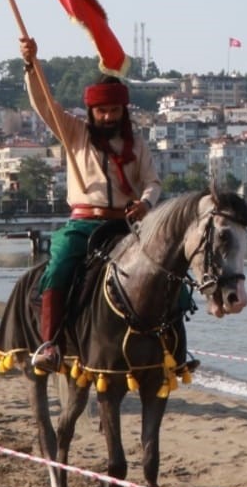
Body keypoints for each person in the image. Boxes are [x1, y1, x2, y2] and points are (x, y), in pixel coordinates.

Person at [19, 37, 166, 374]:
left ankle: (168, 337)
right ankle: (50, 343)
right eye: (102, 111)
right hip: (84, 223)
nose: (108, 116)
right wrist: (32, 65)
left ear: (122, 111)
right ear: (92, 112)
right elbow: (44, 103)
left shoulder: (138, 144)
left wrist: (145, 204)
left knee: (165, 266)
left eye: (114, 111)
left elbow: (153, 183)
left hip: (126, 224)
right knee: (59, 266)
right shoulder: (75, 132)